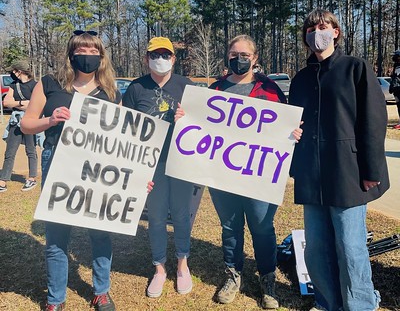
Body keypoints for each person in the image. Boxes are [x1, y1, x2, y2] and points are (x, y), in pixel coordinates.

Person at [177, 34, 298, 309]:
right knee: (230, 227)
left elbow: (283, 127)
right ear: (227, 56)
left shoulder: (269, 90)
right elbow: (199, 127)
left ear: (255, 59)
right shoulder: (215, 91)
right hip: (223, 174)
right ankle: (233, 275)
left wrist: (292, 132)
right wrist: (184, 120)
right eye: (234, 54)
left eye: (245, 55)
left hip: (258, 175)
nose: (239, 59)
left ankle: (267, 279)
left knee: (262, 227)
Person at [289, 9, 389, 311]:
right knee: (317, 249)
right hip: (312, 174)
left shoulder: (355, 69)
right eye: (310, 28)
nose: (315, 32)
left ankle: (360, 304)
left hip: (348, 171)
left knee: (350, 246)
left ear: (336, 32)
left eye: (322, 27)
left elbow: (374, 120)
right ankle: (327, 301)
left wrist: (371, 169)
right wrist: (291, 138)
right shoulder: (301, 79)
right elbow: (294, 122)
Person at [21, 30, 121, 311]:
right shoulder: (50, 84)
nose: (87, 57)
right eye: (81, 51)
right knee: (56, 235)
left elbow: (125, 144)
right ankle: (55, 298)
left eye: (93, 52)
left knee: (100, 232)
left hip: (99, 167)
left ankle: (101, 291)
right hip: (58, 162)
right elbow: (26, 124)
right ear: (71, 54)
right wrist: (49, 121)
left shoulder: (111, 91)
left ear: (101, 57)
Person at [122, 36, 195, 298]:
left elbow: (203, 123)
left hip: (181, 161)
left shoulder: (186, 86)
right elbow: (125, 129)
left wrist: (188, 119)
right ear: (146, 59)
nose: (160, 59)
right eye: (155, 55)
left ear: (174, 59)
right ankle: (160, 268)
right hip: (150, 164)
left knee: (181, 214)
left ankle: (182, 264)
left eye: (166, 54)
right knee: (155, 217)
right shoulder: (135, 88)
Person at [0, 59, 38, 192]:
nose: (12, 73)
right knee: (10, 151)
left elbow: (34, 105)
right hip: (15, 122)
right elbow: (6, 102)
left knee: (31, 150)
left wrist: (16, 103)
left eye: (13, 70)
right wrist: (22, 103)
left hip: (30, 120)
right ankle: (3, 180)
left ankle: (32, 178)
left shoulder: (35, 85)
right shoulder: (13, 85)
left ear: (19, 71)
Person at [389, 50, 400, 129]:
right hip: (396, 90)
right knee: (399, 106)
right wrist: (392, 87)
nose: (394, 58)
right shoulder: (396, 65)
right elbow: (394, 78)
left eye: (396, 56)